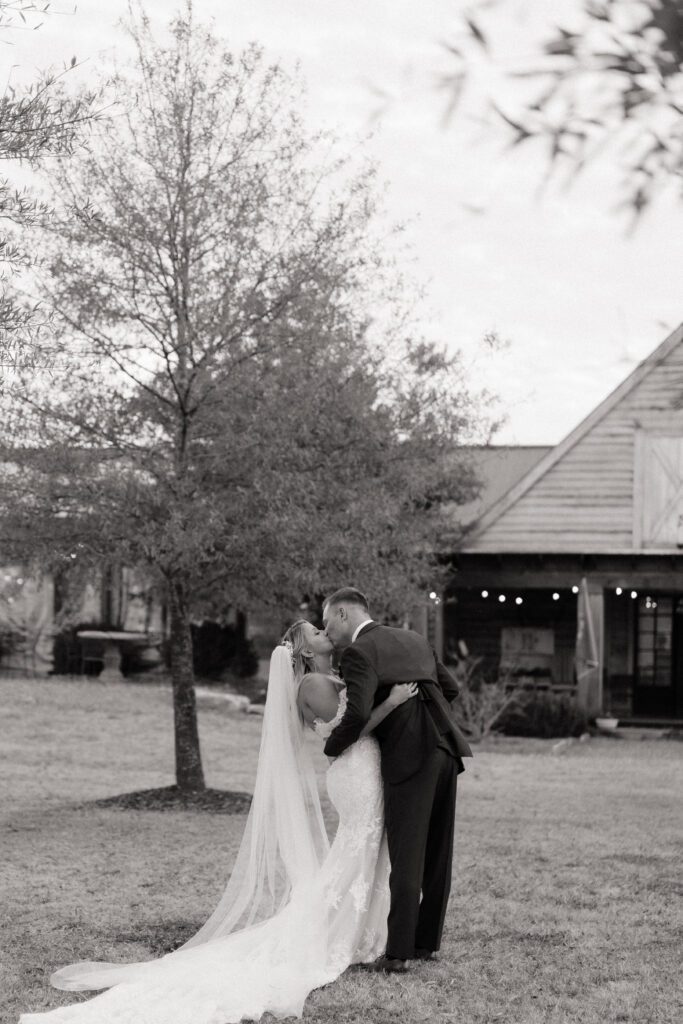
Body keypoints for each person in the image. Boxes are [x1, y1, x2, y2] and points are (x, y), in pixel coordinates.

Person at [19, 619, 417, 1024]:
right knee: (358, 849)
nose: (322, 631)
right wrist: (392, 703)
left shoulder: (327, 676)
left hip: (362, 770)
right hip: (355, 772)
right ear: (307, 652)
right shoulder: (313, 685)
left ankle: (365, 929)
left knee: (363, 851)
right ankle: (345, 933)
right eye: (315, 632)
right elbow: (350, 731)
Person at [322, 587, 472, 973]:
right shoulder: (413, 638)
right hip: (445, 747)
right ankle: (425, 942)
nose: (328, 634)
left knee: (407, 852)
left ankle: (398, 954)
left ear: (342, 614)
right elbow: (449, 688)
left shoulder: (359, 652)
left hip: (410, 754)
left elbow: (355, 715)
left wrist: (332, 748)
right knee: (439, 850)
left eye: (327, 623)